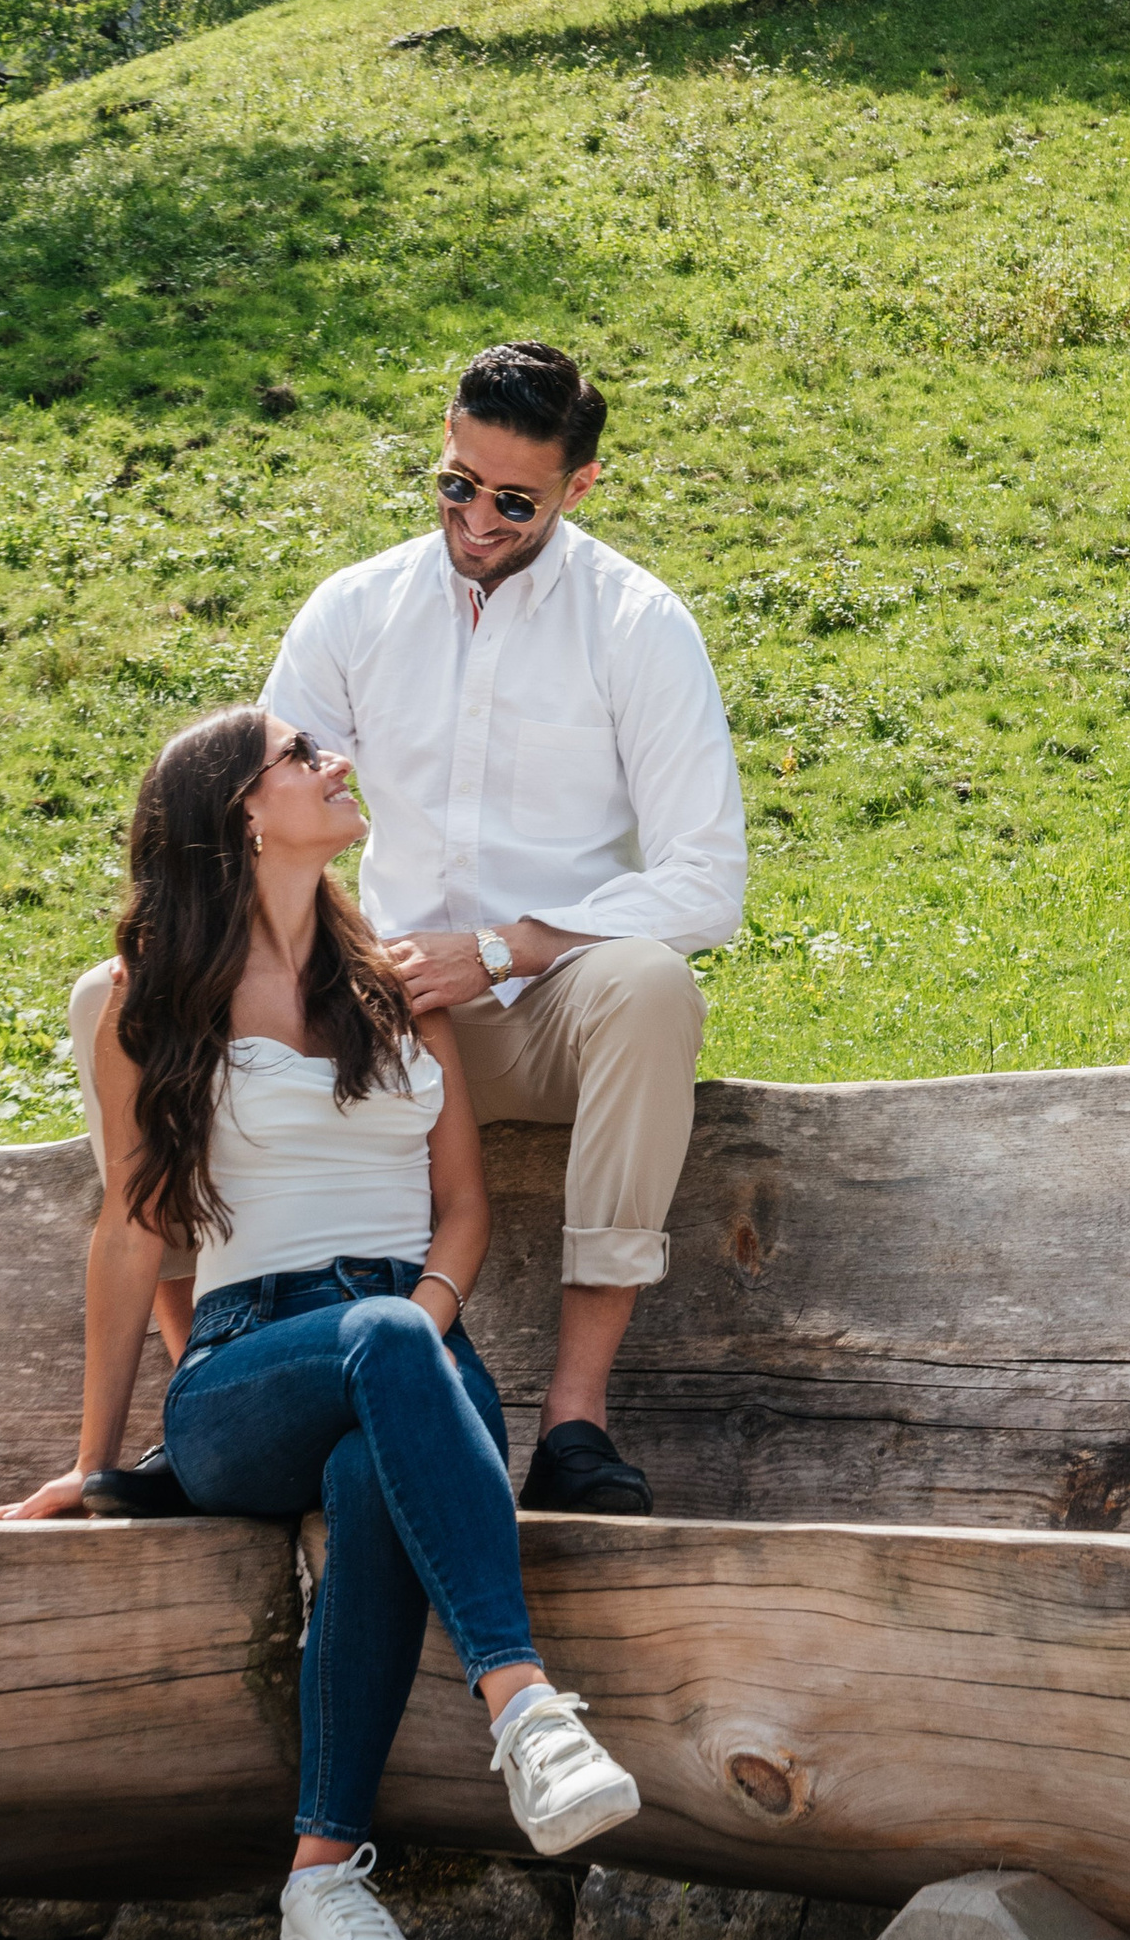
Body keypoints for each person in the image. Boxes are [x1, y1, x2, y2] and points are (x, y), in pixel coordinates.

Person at [0, 702, 643, 1940]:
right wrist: (96, 1463)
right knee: (381, 1353)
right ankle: (525, 1708)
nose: (337, 766)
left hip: (409, 1342)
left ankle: (322, 1882)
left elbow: (464, 1208)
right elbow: (131, 1232)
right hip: (243, 1368)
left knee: (374, 1465)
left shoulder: (397, 990)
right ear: (239, 812)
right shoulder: (140, 1001)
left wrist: (425, 1321)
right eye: (301, 756)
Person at [73, 337, 745, 1515]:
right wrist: (326, 972)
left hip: (539, 1012)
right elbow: (264, 807)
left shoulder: (637, 625)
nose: (475, 517)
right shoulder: (357, 607)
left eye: (513, 499)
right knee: (108, 999)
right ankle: (206, 1392)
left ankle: (576, 1423)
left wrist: (499, 950)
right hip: (366, 1015)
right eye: (454, 482)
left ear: (579, 487)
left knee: (650, 987)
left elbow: (706, 880)